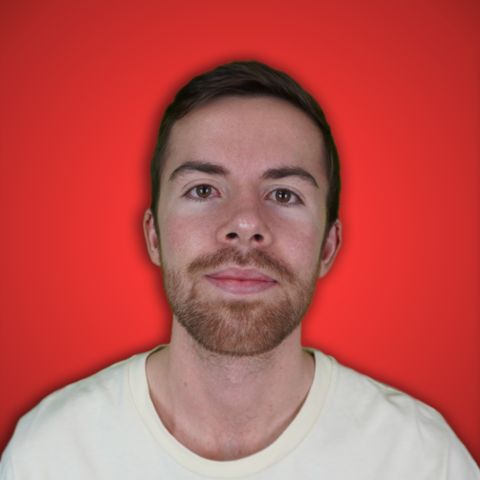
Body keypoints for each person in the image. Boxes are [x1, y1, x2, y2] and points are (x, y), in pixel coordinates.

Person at [0, 61, 478, 479]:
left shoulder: (422, 459)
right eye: (204, 190)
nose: (246, 224)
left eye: (284, 194)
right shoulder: (50, 454)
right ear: (154, 236)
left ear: (328, 246)